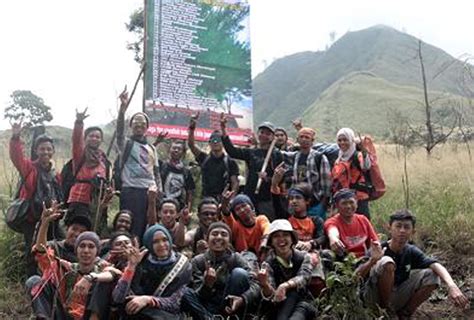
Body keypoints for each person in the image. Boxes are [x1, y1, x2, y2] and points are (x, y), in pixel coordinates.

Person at [358, 209, 470, 318]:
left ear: (413, 232)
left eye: (406, 227)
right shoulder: (378, 249)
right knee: (387, 261)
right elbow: (355, 278)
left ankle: (405, 314)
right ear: (389, 228)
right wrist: (372, 261)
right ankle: (385, 312)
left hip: (396, 295)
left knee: (432, 275)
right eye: (398, 226)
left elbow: (435, 264)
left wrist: (452, 286)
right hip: (374, 299)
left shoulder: (410, 250)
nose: (402, 230)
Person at [26, 203, 113, 320]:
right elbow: (42, 253)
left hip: (90, 315)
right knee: (34, 280)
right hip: (65, 313)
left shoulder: (102, 266)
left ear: (97, 252)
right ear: (76, 251)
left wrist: (90, 277)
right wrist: (44, 224)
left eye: (91, 247)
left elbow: (114, 273)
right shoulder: (68, 268)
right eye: (82, 246)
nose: (86, 251)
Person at [9, 123, 63, 276]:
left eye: (48, 149)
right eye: (42, 149)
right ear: (36, 151)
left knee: (55, 247)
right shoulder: (29, 168)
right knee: (32, 250)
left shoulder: (55, 174)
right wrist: (15, 137)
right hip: (33, 219)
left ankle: (52, 279)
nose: (45, 152)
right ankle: (32, 282)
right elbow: (16, 157)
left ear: (52, 151)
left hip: (52, 219)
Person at [112, 224, 192, 319]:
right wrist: (131, 266)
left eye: (164, 239)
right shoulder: (140, 260)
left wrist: (148, 300)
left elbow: (176, 303)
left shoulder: (183, 265)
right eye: (155, 242)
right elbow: (118, 298)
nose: (162, 245)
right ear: (149, 244)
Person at [182, 222, 260, 319]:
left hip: (230, 305)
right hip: (206, 308)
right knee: (184, 291)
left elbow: (256, 284)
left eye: (224, 234)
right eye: (214, 234)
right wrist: (207, 285)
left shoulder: (236, 258)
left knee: (239, 273)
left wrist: (242, 299)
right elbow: (198, 296)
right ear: (207, 238)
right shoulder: (198, 261)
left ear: (229, 240)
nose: (219, 237)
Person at [116, 88, 162, 239]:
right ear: (131, 126)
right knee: (127, 224)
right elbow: (119, 132)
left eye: (143, 124)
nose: (139, 126)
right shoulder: (126, 144)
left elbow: (156, 172)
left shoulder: (152, 148)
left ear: (147, 128)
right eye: (136, 123)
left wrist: (159, 192)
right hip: (130, 189)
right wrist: (122, 110)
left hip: (148, 193)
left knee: (144, 225)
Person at [221, 115, 284, 221]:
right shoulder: (251, 152)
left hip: (267, 198)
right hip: (250, 195)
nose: (264, 135)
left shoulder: (277, 155)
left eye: (268, 134)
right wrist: (223, 130)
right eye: (262, 132)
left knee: (266, 224)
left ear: (272, 137)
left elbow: (281, 178)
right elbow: (232, 151)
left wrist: (267, 178)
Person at [257, 219, 317, 320]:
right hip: (281, 306)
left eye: (285, 235)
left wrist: (285, 286)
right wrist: (265, 285)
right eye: (276, 236)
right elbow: (272, 297)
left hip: (304, 303)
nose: (281, 239)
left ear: (292, 239)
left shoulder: (304, 257)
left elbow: (304, 277)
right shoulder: (268, 264)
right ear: (271, 242)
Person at [67, 108, 112, 234]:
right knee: (76, 232)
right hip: (79, 199)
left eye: (98, 137)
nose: (94, 138)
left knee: (95, 230)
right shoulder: (80, 155)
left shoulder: (104, 159)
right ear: (85, 138)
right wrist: (79, 123)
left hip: (97, 202)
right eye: (91, 136)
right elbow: (76, 140)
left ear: (101, 140)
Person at [282, 127, 332, 219]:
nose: (304, 139)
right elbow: (279, 153)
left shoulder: (320, 157)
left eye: (307, 137)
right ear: (297, 140)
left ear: (312, 140)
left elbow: (326, 185)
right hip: (297, 205)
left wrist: (323, 205)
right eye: (301, 137)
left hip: (315, 204)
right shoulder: (295, 156)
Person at [188, 113, 239, 200]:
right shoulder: (204, 158)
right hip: (206, 199)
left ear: (223, 143)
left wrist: (231, 199)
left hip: (223, 200)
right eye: (213, 140)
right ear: (209, 143)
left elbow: (235, 183)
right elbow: (191, 145)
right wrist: (192, 128)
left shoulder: (230, 162)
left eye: (218, 140)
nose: (215, 142)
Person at [324, 189, 378, 258]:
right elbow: (332, 231)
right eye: (344, 203)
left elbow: (375, 241)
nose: (348, 206)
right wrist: (334, 238)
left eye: (351, 202)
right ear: (337, 206)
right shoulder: (332, 221)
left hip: (365, 258)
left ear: (356, 203)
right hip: (345, 261)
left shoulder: (363, 219)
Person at [331, 128, 371, 218]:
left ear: (351, 140)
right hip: (343, 199)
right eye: (339, 140)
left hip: (359, 199)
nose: (342, 143)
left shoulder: (358, 155)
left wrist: (364, 153)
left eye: (345, 140)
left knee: (362, 225)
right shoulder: (338, 158)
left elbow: (366, 166)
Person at [221, 193, 270, 257]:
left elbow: (267, 228)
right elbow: (227, 215)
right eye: (237, 209)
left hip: (263, 256)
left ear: (251, 206)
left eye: (244, 206)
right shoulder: (236, 226)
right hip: (243, 260)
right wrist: (224, 205)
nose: (242, 210)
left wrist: (264, 241)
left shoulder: (261, 219)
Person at [160, 140, 195, 211]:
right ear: (169, 150)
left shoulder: (186, 171)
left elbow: (190, 192)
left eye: (179, 149)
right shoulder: (162, 166)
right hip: (162, 205)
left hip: (178, 207)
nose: (176, 150)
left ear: (183, 152)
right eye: (174, 148)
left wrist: (188, 208)